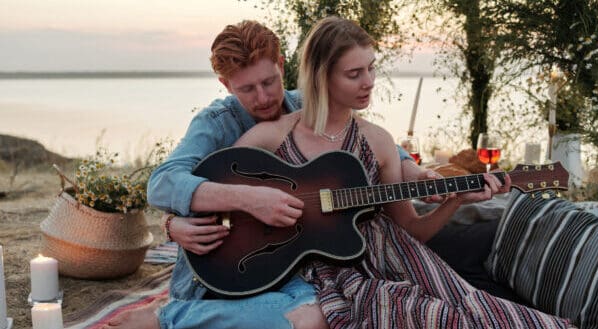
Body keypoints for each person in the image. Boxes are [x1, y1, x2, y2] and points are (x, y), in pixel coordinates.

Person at [102, 19, 500, 329]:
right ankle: (169, 319)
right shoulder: (218, 123)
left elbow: (365, 142)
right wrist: (225, 207)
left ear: (282, 65)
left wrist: (413, 169)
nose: (263, 98)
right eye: (247, 89)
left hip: (298, 260)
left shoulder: (305, 104)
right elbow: (163, 182)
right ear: (225, 84)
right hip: (234, 260)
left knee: (328, 312)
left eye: (269, 81)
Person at [231, 16, 573, 328]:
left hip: (396, 264)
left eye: (371, 68)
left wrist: (453, 202)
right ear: (322, 75)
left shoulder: (378, 142)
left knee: (471, 316)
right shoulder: (272, 136)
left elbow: (412, 230)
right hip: (317, 272)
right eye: (354, 74)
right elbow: (218, 189)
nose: (369, 82)